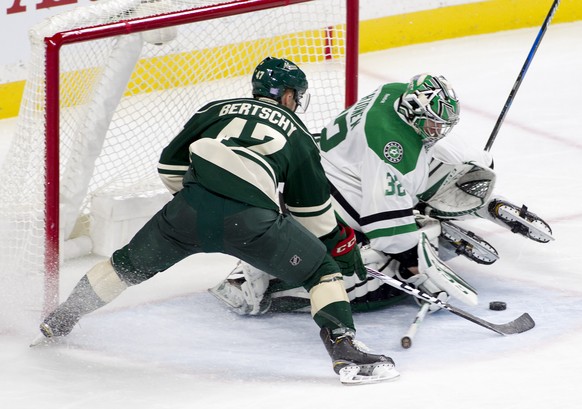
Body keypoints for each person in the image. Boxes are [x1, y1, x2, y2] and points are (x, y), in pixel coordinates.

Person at [33, 57, 399, 384]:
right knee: (320, 272)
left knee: (125, 265)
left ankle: (62, 318)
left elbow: (169, 166)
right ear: (289, 96)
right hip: (254, 223)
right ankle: (344, 350)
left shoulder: (215, 109)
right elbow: (313, 214)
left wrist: (201, 201)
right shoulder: (299, 133)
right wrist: (339, 245)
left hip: (187, 212)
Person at [209, 73, 553, 316]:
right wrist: (413, 264)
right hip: (327, 202)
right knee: (377, 273)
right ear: (414, 112)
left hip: (323, 175)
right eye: (434, 123)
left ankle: (443, 206)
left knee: (414, 193)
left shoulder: (395, 93)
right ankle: (280, 294)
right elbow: (386, 230)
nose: (438, 131)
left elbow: (391, 188)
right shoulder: (390, 148)